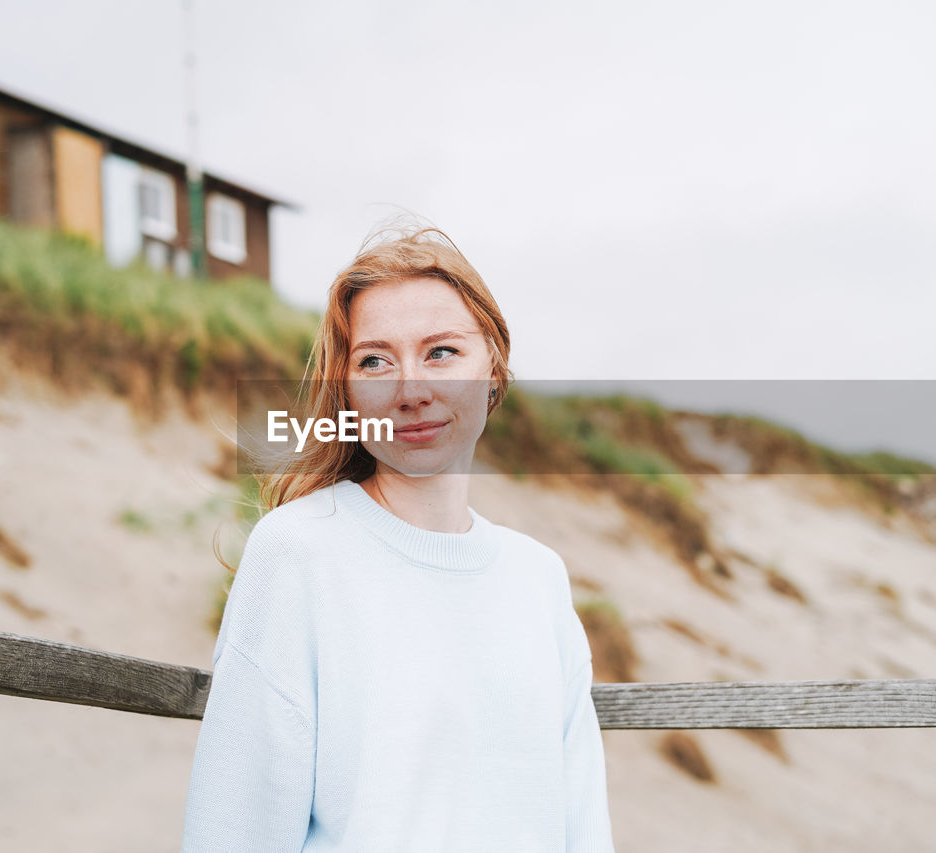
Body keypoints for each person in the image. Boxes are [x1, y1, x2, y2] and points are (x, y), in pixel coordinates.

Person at [181, 226, 615, 852]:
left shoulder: (538, 576)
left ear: (493, 368)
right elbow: (232, 831)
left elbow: (582, 825)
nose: (410, 391)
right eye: (375, 360)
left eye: (442, 352)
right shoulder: (298, 553)